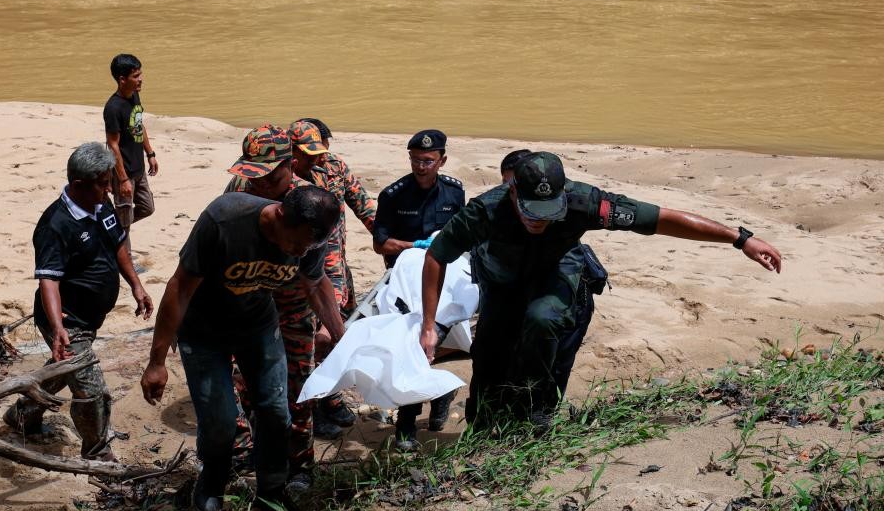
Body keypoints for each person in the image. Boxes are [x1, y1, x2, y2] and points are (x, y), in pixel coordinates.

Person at [419, 151, 782, 427]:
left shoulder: (585, 201)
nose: (540, 220)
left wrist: (740, 239)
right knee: (491, 361)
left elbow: (658, 219)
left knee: (542, 322)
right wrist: (429, 326)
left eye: (550, 210)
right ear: (512, 192)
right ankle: (484, 431)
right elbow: (436, 257)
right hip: (502, 284)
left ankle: (538, 416)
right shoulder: (485, 211)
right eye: (531, 210)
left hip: (555, 274)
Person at [139, 185, 345, 511]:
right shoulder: (225, 219)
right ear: (280, 214)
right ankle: (212, 483)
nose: (299, 252)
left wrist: (339, 334)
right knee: (219, 420)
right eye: (296, 244)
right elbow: (178, 288)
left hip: (258, 325)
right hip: (203, 331)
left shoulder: (310, 237)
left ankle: (272, 491)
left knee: (276, 412)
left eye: (308, 246)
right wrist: (156, 361)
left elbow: (314, 282)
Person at [4, 143, 153, 460]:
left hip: (91, 317)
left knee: (61, 369)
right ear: (79, 184)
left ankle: (21, 413)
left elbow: (119, 246)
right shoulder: (55, 224)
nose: (109, 188)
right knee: (90, 388)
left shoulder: (102, 205)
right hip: (68, 321)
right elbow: (49, 279)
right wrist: (59, 328)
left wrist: (136, 286)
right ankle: (97, 452)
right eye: (103, 183)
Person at [223, 124, 336, 496]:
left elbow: (317, 278)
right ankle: (247, 454)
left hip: (291, 306)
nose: (258, 184)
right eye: (252, 175)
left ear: (290, 166)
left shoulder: (311, 205)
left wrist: (338, 333)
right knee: (242, 384)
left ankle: (301, 466)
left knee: (298, 389)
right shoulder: (240, 190)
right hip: (250, 299)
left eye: (267, 177)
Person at [372, 129, 465, 450]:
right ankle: (408, 423)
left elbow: (462, 237)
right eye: (415, 160)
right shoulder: (394, 195)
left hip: (445, 280)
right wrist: (416, 247)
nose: (421, 166)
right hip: (404, 282)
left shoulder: (454, 192)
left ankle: (438, 395)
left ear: (442, 160)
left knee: (439, 341)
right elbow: (379, 244)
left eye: (428, 161)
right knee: (412, 346)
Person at [289, 119, 377, 437]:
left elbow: (363, 205)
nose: (321, 158)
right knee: (315, 338)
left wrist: (388, 241)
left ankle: (330, 396)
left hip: (338, 267)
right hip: (304, 274)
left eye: (324, 150)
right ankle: (315, 405)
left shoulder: (335, 167)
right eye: (313, 152)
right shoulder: (284, 181)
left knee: (336, 332)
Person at [104, 54, 157, 253]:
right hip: (123, 173)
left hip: (139, 168)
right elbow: (113, 145)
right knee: (125, 225)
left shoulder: (134, 95)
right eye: (136, 76)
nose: (140, 79)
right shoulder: (113, 108)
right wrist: (123, 179)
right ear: (122, 80)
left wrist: (150, 153)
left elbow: (138, 125)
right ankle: (125, 262)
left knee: (147, 207)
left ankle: (112, 228)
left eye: (140, 74)